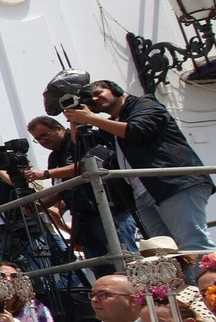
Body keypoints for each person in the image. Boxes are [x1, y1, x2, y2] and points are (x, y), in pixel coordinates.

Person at [65, 80, 214, 252]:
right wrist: (75, 119)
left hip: (174, 183)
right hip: (143, 192)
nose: (95, 99)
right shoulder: (113, 124)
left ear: (116, 89)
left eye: (98, 93)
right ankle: (185, 280)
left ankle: (210, 279)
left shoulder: (146, 104)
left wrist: (92, 119)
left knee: (192, 243)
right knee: (163, 252)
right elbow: (83, 147)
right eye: (91, 98)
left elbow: (137, 131)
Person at [26, 114, 140, 269]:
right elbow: (62, 190)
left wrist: (46, 173)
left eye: (45, 135)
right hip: (83, 218)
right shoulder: (54, 157)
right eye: (38, 139)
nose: (43, 141)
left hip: (110, 210)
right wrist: (37, 206)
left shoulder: (82, 140)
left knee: (126, 262)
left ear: (59, 128)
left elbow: (89, 166)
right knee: (100, 267)